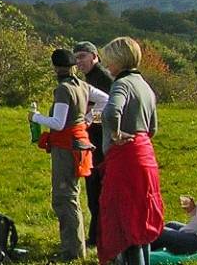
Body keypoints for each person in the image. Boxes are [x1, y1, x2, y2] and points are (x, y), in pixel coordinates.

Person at [29, 49, 102, 261]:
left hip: (66, 148)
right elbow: (106, 100)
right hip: (79, 144)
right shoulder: (82, 86)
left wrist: (35, 117)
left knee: (64, 198)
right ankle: (76, 247)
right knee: (72, 195)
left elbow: (58, 123)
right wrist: (88, 119)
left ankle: (72, 251)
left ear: (55, 68)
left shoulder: (63, 89)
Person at [97, 37, 163, 265]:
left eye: (109, 61)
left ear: (119, 60)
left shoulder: (122, 84)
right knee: (141, 220)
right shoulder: (145, 86)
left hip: (126, 158)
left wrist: (115, 133)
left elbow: (111, 111)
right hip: (145, 155)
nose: (107, 66)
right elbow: (152, 128)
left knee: (125, 223)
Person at [73, 41, 111, 247]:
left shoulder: (102, 78)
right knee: (94, 191)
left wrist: (88, 119)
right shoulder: (90, 78)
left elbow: (108, 107)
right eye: (76, 58)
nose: (79, 62)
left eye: (82, 57)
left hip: (100, 142)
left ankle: (98, 237)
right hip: (94, 141)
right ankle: (97, 236)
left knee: (97, 192)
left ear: (95, 56)